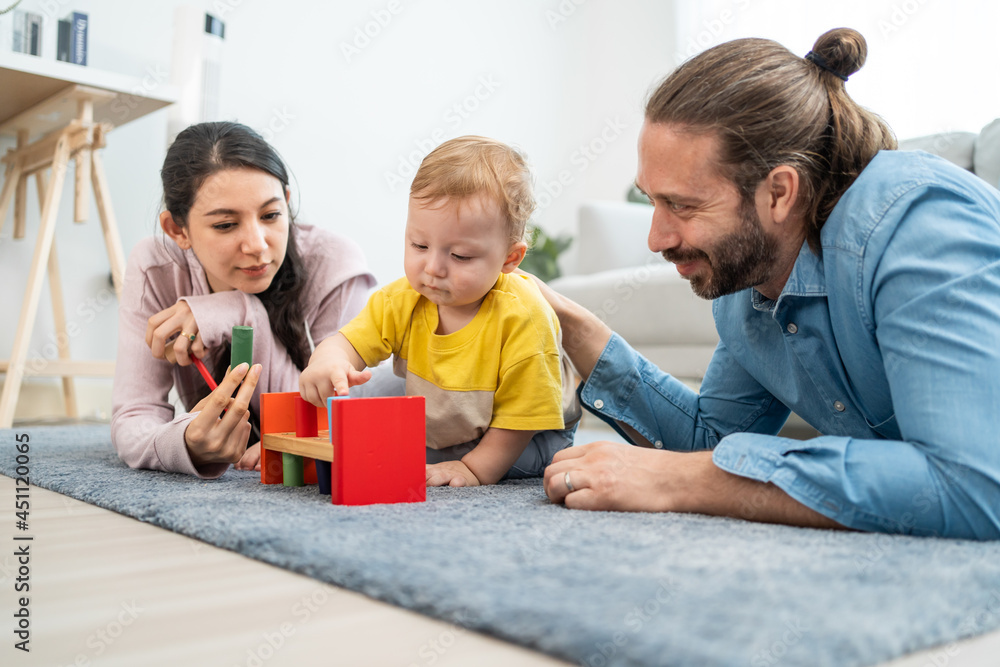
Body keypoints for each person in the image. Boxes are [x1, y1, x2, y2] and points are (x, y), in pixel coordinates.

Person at [539, 28, 1000, 540]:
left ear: (779, 193)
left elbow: (972, 487)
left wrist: (694, 481)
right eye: (653, 201)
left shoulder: (919, 226)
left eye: (684, 205)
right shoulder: (751, 288)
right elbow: (711, 439)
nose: (656, 238)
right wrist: (573, 327)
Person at [300, 136, 579, 487]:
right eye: (419, 245)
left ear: (510, 258)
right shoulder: (402, 299)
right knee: (372, 418)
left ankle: (466, 456)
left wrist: (473, 468)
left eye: (460, 256)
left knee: (430, 458)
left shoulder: (524, 317)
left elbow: (523, 417)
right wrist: (328, 360)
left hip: (530, 434)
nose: (433, 267)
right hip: (451, 415)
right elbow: (349, 343)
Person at [112, 121, 375, 478]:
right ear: (178, 230)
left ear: (287, 201)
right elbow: (134, 417)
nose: (256, 245)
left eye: (271, 215)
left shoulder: (334, 263)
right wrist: (187, 443)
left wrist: (241, 311)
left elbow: (346, 417)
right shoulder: (157, 266)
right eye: (225, 225)